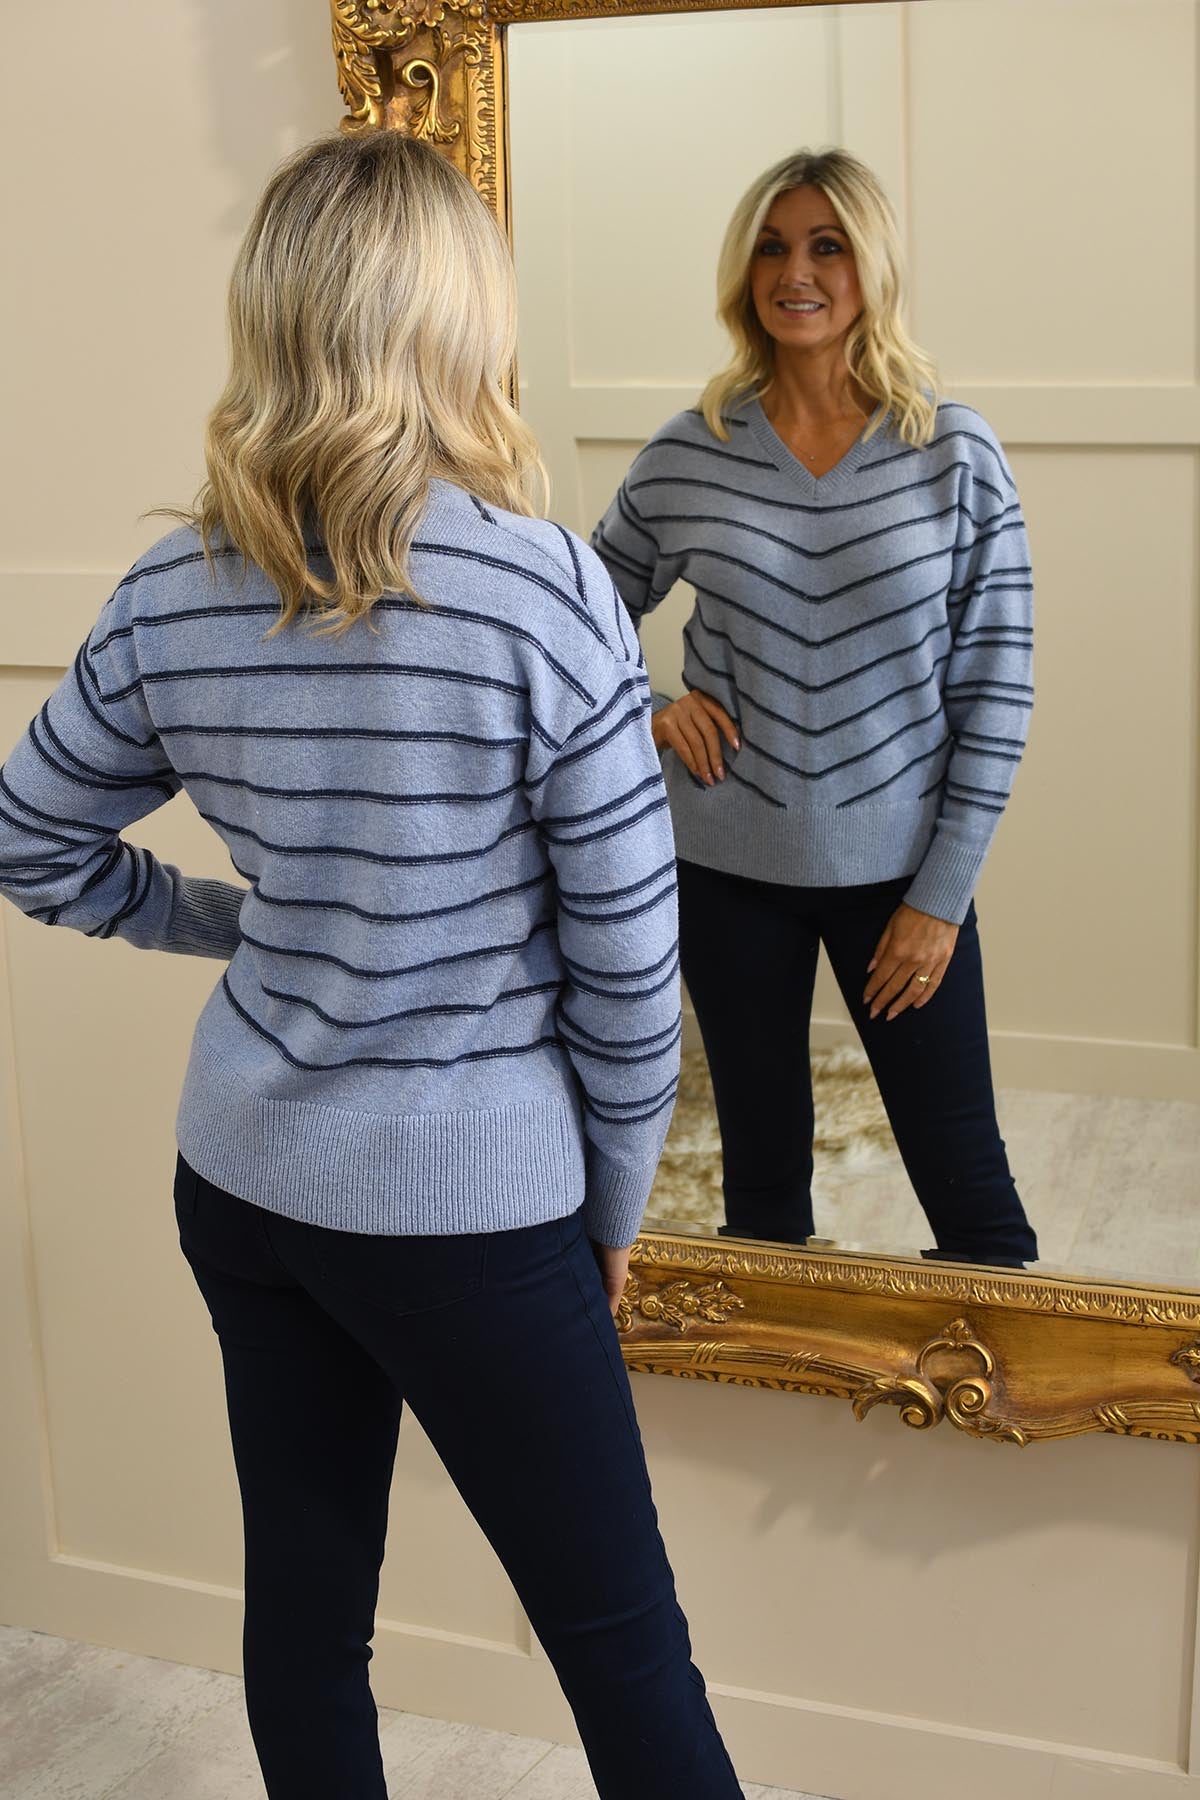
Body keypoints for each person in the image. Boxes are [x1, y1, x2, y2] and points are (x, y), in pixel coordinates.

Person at [0, 133, 744, 1800]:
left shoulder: (172, 590)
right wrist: (613, 1208)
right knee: (626, 1653)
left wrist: (238, 929)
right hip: (472, 1214)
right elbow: (634, 975)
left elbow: (26, 838)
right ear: (460, 320)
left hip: (247, 1184)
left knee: (308, 1618)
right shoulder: (543, 590)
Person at [592, 148, 1038, 1268]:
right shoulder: (691, 451)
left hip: (902, 879)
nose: (796, 273)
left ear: (871, 267)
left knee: (972, 1195)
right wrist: (649, 706)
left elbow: (997, 688)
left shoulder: (952, 451)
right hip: (725, 866)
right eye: (773, 248)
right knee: (760, 1184)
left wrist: (940, 898)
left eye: (827, 246)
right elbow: (574, 615)